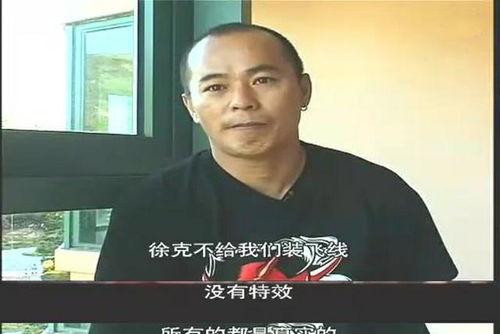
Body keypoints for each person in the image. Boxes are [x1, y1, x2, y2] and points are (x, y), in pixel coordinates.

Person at [95, 22, 457, 282]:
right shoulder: (150, 209)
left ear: (303, 91)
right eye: (216, 87)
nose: (242, 101)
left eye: (263, 80)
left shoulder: (379, 194)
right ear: (191, 107)